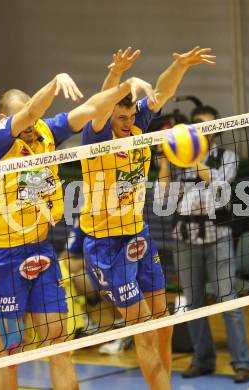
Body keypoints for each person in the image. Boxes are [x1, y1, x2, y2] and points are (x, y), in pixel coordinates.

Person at [0, 72, 156, 390]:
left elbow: (88, 110)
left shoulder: (44, 131)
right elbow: (30, 112)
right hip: (0, 254)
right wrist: (55, 82)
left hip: (40, 250)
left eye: (35, 120)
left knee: (60, 344)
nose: (31, 126)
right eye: (24, 120)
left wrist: (124, 87)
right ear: (6, 118)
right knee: (11, 350)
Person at [79, 46, 216, 390]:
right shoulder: (95, 138)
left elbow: (162, 92)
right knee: (142, 330)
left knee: (163, 324)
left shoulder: (138, 129)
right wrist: (116, 76)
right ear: (109, 119)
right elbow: (98, 105)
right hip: (106, 245)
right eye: (121, 119)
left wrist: (179, 65)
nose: (128, 124)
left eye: (129, 118)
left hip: (138, 236)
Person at [158, 105, 249, 383]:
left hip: (218, 237)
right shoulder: (175, 158)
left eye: (209, 126)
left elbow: (221, 189)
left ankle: (242, 362)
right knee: (193, 304)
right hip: (184, 238)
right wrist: (166, 160)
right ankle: (202, 359)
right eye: (198, 124)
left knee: (228, 302)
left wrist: (192, 157)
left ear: (217, 131)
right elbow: (164, 199)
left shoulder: (228, 156)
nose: (203, 130)